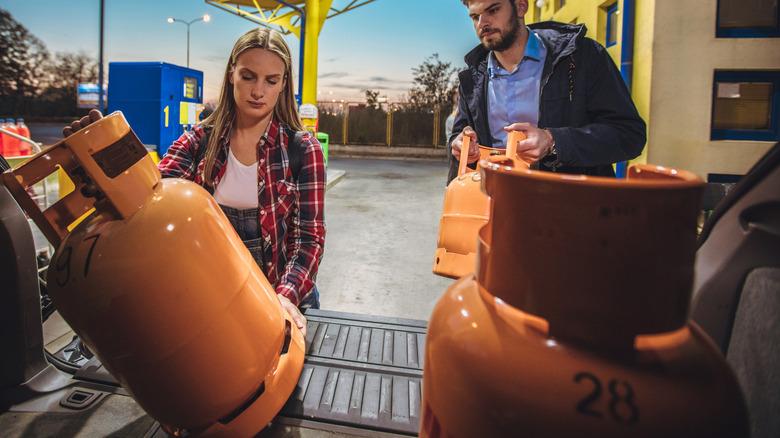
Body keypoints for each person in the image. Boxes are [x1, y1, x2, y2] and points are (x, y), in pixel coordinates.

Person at [63, 28, 325, 335]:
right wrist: (104, 157)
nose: (258, 91)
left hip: (284, 302)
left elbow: (309, 238)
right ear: (231, 75)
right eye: (248, 76)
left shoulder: (302, 150)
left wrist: (284, 296)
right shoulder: (199, 141)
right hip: (216, 302)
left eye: (271, 80)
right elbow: (149, 199)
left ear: (283, 85)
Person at [448, 0, 646, 183]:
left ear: (520, 6)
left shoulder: (582, 57)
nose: (483, 23)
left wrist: (554, 140)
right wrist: (460, 145)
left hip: (570, 209)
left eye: (493, 10)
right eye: (475, 16)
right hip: (498, 205)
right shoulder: (471, 78)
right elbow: (459, 134)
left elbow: (629, 135)